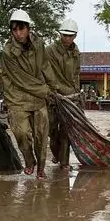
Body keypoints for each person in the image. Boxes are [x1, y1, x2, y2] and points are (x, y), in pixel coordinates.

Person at [2, 9, 53, 179]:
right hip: (17, 96)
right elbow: (21, 79)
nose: (18, 33)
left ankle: (41, 168)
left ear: (28, 28)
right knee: (21, 132)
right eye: (14, 30)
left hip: (38, 98)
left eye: (21, 29)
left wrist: (56, 88)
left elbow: (45, 66)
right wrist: (46, 91)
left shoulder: (39, 44)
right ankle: (29, 160)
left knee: (41, 134)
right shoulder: (8, 52)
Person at [45, 18, 81, 172]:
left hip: (71, 97)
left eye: (70, 35)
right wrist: (52, 91)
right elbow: (45, 73)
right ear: (60, 34)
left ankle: (64, 162)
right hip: (54, 96)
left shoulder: (76, 52)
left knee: (66, 132)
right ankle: (57, 154)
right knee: (52, 131)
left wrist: (77, 94)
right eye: (64, 35)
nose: (67, 38)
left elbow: (77, 73)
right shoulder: (50, 50)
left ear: (75, 36)